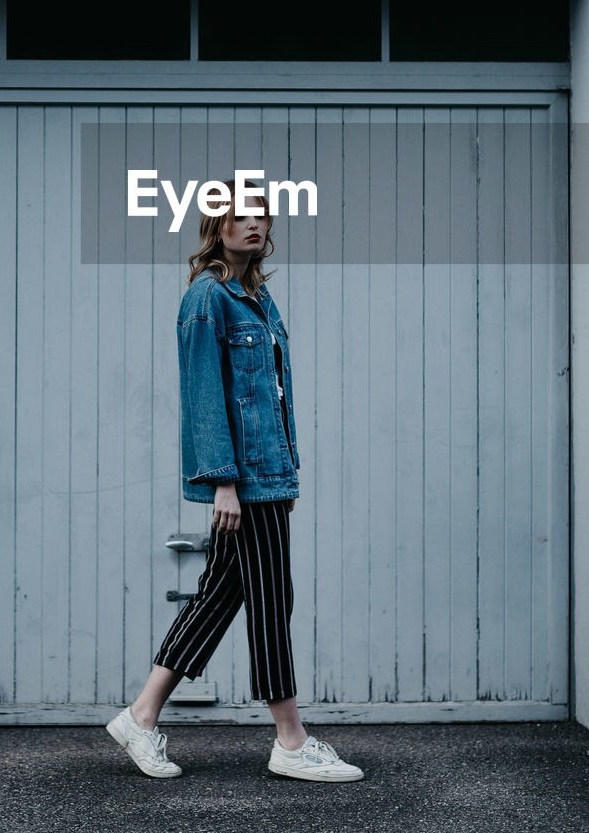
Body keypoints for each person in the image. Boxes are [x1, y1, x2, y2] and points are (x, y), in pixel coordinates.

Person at [106, 179, 365, 782]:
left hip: (266, 476)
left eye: (261, 217)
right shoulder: (207, 298)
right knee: (273, 599)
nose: (253, 225)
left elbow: (271, 397)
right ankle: (291, 741)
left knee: (222, 593)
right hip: (242, 482)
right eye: (239, 217)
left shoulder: (257, 298)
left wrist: (285, 474)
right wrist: (224, 482)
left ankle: (141, 716)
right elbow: (204, 395)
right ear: (216, 227)